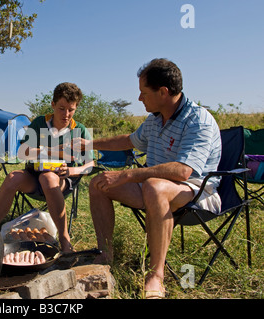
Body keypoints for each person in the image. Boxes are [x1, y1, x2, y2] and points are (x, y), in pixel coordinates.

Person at [73, 58, 221, 298]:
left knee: (154, 187)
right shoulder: (155, 119)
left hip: (196, 191)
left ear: (163, 92)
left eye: (143, 92)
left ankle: (156, 275)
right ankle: (106, 255)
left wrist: (129, 174)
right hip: (152, 187)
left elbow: (184, 171)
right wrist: (89, 143)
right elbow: (128, 141)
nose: (139, 98)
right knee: (99, 183)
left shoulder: (198, 120)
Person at [0, 82, 95, 253]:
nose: (66, 114)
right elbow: (23, 152)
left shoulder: (80, 130)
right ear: (53, 105)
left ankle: (64, 238)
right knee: (12, 177)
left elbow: (90, 165)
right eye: (61, 108)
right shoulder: (40, 123)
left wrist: (72, 170)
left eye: (71, 110)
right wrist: (55, 150)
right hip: (33, 176)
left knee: (48, 177)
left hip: (61, 180)